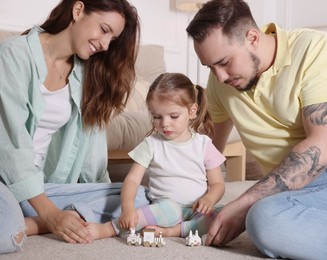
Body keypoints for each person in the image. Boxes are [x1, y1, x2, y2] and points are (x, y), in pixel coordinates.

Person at [0, 0, 150, 254]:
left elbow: (93, 152)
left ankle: (36, 220)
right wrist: (52, 216)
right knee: (5, 234)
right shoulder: (14, 54)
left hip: (45, 186)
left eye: (112, 39)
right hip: (6, 179)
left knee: (138, 196)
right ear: (78, 10)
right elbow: (11, 146)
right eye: (104, 30)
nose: (104, 45)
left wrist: (100, 192)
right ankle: (39, 221)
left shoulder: (86, 73)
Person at [186, 0, 327, 259]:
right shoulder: (221, 82)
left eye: (225, 62)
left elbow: (323, 142)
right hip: (288, 192)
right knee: (264, 218)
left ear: (252, 37)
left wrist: (246, 201)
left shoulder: (312, 49)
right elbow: (209, 147)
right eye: (210, 67)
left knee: (259, 217)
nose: (220, 77)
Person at [83, 72, 226, 240]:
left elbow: (218, 184)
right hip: (165, 207)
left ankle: (171, 232)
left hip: (196, 209)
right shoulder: (151, 144)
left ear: (192, 111)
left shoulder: (204, 144)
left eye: (173, 116)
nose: (164, 123)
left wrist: (209, 199)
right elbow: (132, 180)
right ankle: (108, 228)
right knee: (158, 211)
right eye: (157, 117)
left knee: (225, 214)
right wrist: (128, 208)